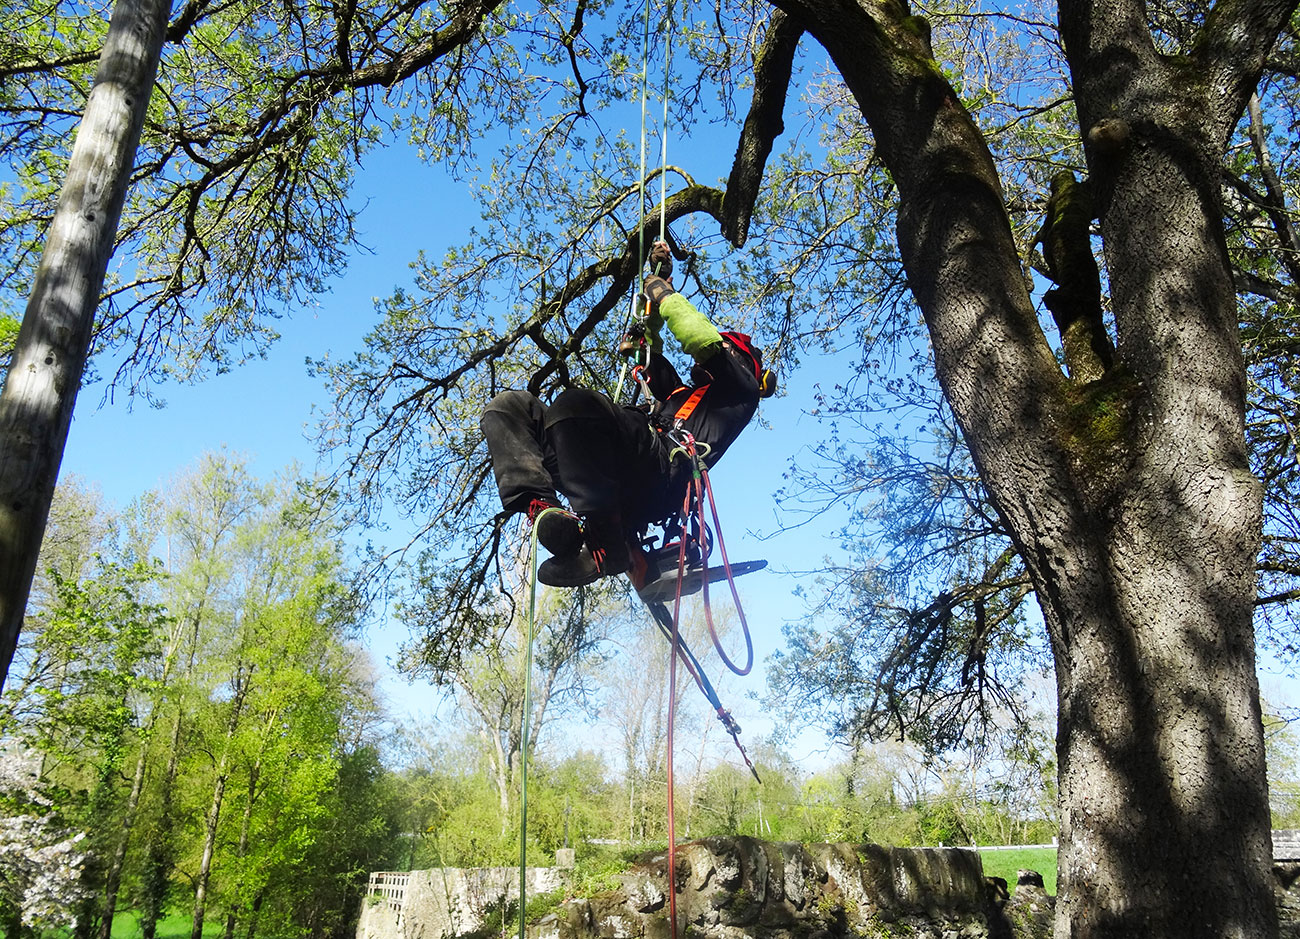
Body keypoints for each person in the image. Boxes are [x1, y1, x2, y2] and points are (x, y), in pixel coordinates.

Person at [479, 241, 776, 589]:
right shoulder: (680, 394)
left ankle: (608, 543)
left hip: (658, 473)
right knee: (509, 407)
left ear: (738, 359)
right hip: (606, 467)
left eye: (723, 349)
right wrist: (657, 284)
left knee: (576, 405)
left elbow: (700, 338)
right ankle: (545, 509)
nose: (699, 362)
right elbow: (647, 353)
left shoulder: (740, 394)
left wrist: (664, 294)